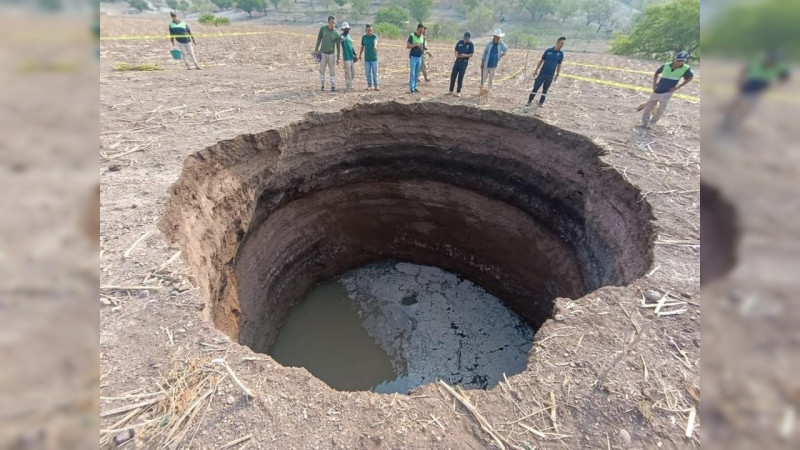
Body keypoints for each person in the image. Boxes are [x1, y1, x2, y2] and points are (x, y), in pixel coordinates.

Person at [719, 50, 790, 132]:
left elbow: (785, 79)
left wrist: (773, 87)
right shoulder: (756, 64)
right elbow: (742, 72)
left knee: (748, 109)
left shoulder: (779, 68)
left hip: (758, 90)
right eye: (772, 59)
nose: (772, 62)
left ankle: (736, 122)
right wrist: (739, 82)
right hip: (747, 86)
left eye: (775, 61)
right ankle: (726, 120)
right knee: (735, 104)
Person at [639, 51, 694, 128]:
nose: (679, 62)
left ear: (684, 61)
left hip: (667, 92)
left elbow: (690, 78)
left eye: (682, 61)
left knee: (660, 110)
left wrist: (677, 88)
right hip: (657, 90)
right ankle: (644, 122)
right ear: (675, 59)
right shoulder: (666, 65)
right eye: (678, 60)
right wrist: (654, 84)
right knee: (648, 107)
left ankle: (651, 123)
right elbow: (656, 73)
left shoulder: (686, 68)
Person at [527, 37, 566, 107]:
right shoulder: (548, 50)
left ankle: (541, 102)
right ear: (557, 42)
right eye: (561, 43)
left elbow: (559, 65)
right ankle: (529, 101)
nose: (562, 45)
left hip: (550, 75)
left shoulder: (561, 54)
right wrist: (536, 70)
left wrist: (557, 74)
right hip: (542, 73)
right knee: (536, 87)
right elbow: (541, 60)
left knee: (545, 89)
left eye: (563, 44)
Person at [314, 16, 342, 92]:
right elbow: (319, 39)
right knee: (322, 70)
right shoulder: (323, 29)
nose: (333, 24)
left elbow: (338, 46)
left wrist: (338, 57)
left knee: (332, 71)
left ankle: (333, 86)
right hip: (323, 53)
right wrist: (316, 50)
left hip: (331, 54)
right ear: (328, 22)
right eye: (331, 22)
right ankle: (322, 85)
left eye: (334, 23)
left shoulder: (336, 34)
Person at [448, 31, 474, 97]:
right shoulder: (460, 42)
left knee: (460, 77)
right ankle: (450, 90)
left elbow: (471, 54)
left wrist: (465, 55)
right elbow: (455, 50)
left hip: (464, 62)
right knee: (453, 75)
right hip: (457, 61)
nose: (465, 40)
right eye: (465, 38)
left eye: (467, 38)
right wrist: (456, 55)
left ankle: (458, 91)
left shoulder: (471, 45)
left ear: (469, 38)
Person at [359, 24, 379, 91]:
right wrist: (360, 55)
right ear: (366, 30)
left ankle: (376, 86)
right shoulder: (364, 37)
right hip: (367, 59)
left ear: (372, 30)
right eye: (368, 30)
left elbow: (375, 41)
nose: (369, 32)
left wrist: (375, 46)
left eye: (370, 30)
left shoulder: (374, 36)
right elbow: (362, 46)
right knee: (368, 73)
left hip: (374, 59)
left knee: (375, 73)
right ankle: (369, 85)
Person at [407, 23, 425, 94]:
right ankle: (411, 88)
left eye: (422, 31)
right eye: (420, 31)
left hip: (419, 57)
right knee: (412, 73)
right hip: (413, 57)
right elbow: (408, 46)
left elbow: (423, 46)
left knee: (417, 73)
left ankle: (415, 87)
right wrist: (415, 45)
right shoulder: (412, 36)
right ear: (417, 29)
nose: (421, 33)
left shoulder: (422, 37)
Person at [340, 22, 357, 90]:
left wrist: (354, 54)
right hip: (346, 57)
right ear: (343, 29)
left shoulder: (349, 36)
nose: (347, 30)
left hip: (351, 56)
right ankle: (348, 85)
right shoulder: (342, 36)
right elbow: (340, 38)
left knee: (352, 73)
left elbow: (351, 46)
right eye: (346, 29)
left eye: (348, 29)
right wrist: (341, 37)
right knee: (348, 72)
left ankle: (349, 83)